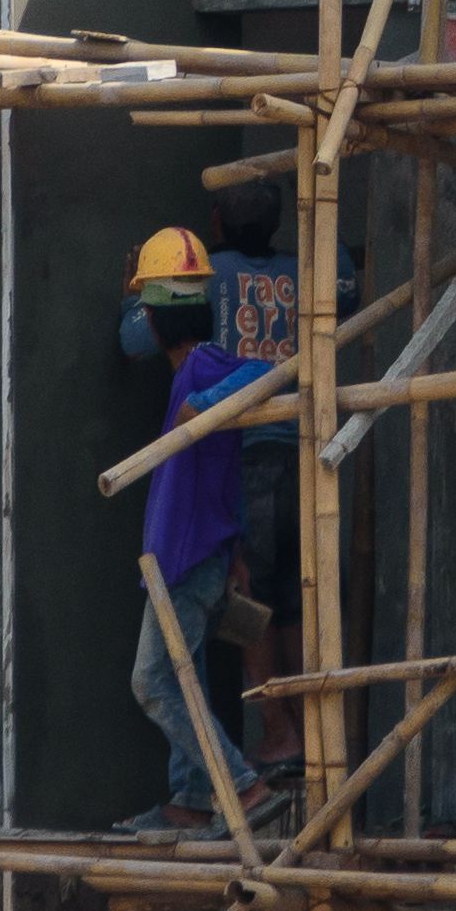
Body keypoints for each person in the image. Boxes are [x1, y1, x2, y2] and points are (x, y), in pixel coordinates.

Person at [117, 179, 310, 834]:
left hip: (183, 557)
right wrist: (234, 558)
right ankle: (193, 799)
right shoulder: (190, 371)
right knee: (184, 674)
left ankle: (241, 788)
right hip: (192, 554)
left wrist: (208, 404)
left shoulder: (201, 372)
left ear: (155, 318)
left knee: (153, 683)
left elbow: (264, 372)